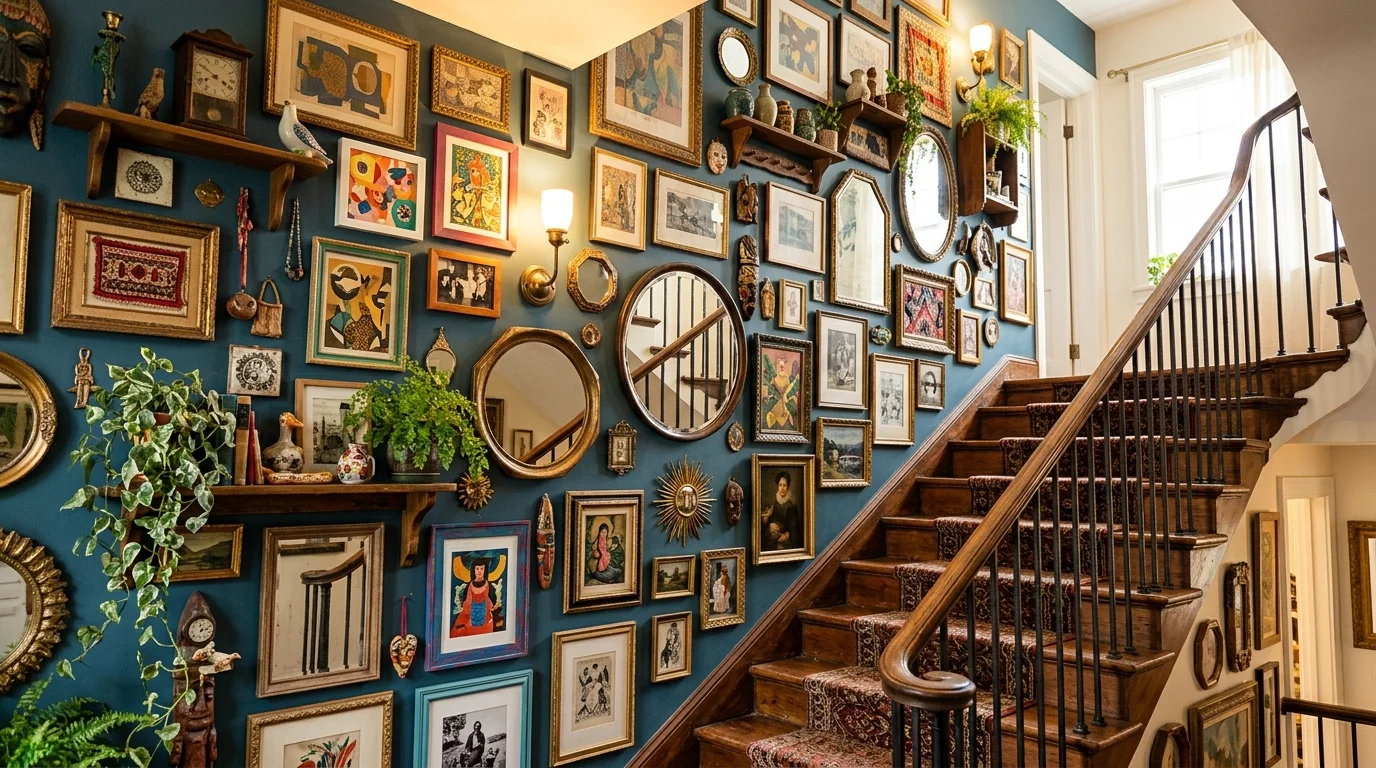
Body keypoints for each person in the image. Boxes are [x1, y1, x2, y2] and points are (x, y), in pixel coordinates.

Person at [760, 471, 801, 551]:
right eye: (780, 485)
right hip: (770, 540)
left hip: (785, 542)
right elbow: (762, 522)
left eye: (784, 485)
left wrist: (787, 535)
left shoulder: (792, 506)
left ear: (788, 487)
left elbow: (794, 529)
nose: (782, 488)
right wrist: (769, 525)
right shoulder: (771, 503)